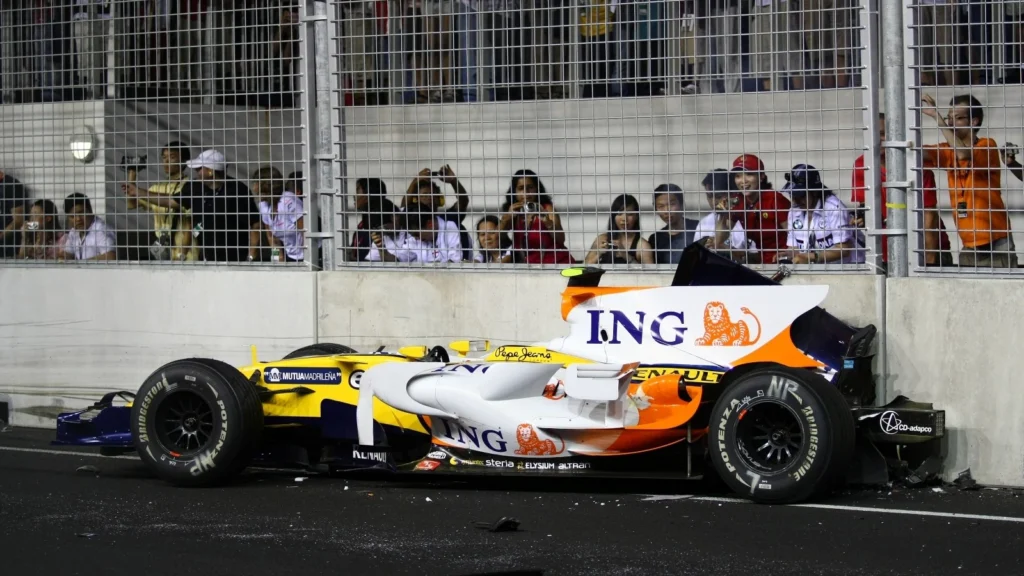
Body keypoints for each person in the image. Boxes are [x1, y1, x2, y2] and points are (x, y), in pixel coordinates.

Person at [920, 93, 1016, 268]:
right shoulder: (947, 150)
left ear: (974, 122)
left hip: (996, 240)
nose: (951, 122)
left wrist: (937, 117)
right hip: (968, 243)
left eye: (958, 118)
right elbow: (917, 153)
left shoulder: (987, 145)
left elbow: (963, 153)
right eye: (949, 117)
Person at [851, 113, 952, 267]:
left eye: (884, 134)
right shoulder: (861, 165)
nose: (878, 139)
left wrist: (929, 263)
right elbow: (865, 207)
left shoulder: (916, 167)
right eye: (874, 134)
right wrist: (861, 216)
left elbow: (929, 218)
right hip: (884, 253)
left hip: (925, 251)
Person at [125, 149, 260, 263]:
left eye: (199, 168)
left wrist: (251, 257)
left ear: (210, 172)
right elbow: (171, 201)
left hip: (236, 259)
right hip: (206, 258)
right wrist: (136, 191)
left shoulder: (237, 190)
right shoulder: (195, 187)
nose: (196, 172)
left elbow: (255, 225)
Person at [780, 164, 864, 264]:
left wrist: (813, 257)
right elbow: (794, 247)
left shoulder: (834, 207)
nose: (795, 200)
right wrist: (787, 255)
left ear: (815, 192)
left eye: (800, 195)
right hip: (817, 271)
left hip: (849, 269)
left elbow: (844, 249)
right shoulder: (794, 211)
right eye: (792, 194)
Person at [498, 169, 575, 265]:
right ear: (514, 191)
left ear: (537, 189)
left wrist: (547, 222)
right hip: (528, 266)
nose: (526, 192)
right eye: (521, 188)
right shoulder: (514, 210)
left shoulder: (546, 208)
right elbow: (497, 238)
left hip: (555, 263)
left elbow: (561, 240)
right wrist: (507, 217)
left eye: (530, 187)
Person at [726, 154, 791, 264]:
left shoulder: (774, 200)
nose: (743, 181)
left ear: (761, 177)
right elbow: (723, 231)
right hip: (762, 263)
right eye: (738, 176)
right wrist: (723, 211)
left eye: (749, 174)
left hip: (784, 263)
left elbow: (795, 236)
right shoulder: (737, 201)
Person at [584, 193, 655, 265]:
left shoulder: (643, 246)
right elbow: (582, 270)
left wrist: (627, 257)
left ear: (636, 216)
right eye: (619, 213)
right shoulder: (602, 239)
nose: (624, 219)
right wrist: (597, 255)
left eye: (629, 214)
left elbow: (650, 275)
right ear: (613, 216)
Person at [647, 183, 698, 264]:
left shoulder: (699, 228)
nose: (667, 210)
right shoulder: (655, 239)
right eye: (661, 206)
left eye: (672, 204)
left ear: (681, 205)